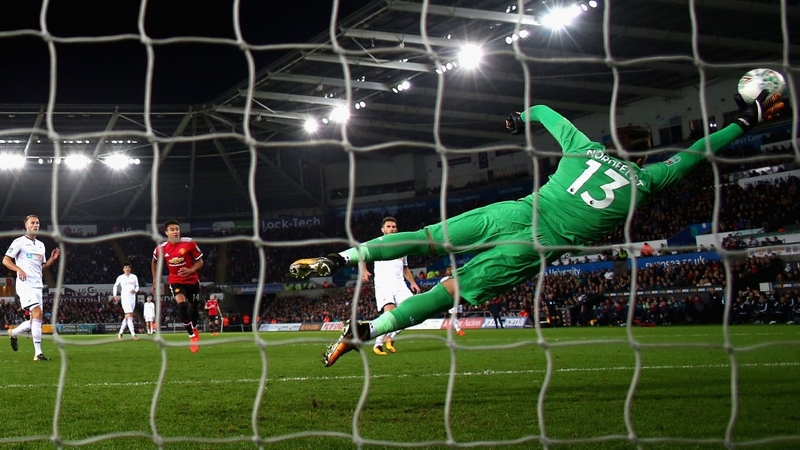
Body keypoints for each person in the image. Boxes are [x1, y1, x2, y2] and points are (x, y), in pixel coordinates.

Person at [289, 88, 785, 367]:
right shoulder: (652, 179)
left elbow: (546, 109)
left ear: (611, 143)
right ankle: (368, 331)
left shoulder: (584, 149)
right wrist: (748, 118)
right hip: (537, 245)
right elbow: (696, 153)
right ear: (643, 154)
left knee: (425, 238)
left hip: (516, 212)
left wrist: (518, 117)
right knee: (450, 291)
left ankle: (341, 258)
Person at [359, 217, 421, 356]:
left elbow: (405, 268)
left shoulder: (402, 246)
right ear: (383, 230)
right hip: (383, 284)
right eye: (389, 226)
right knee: (389, 314)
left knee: (414, 311)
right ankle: (378, 345)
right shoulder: (376, 244)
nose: (392, 229)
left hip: (400, 284)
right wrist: (364, 271)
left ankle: (389, 337)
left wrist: (412, 282)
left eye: (394, 226)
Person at [3, 214, 60, 361]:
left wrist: (52, 260)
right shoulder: (19, 242)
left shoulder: (41, 245)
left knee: (35, 320)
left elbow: (42, 268)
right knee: (37, 313)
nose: (36, 225)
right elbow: (5, 260)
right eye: (33, 223)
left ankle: (14, 332)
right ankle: (38, 353)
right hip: (25, 285)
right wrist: (18, 269)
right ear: (26, 226)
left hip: (38, 285)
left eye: (37, 223)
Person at [151, 219, 204, 352]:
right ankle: (191, 336)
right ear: (166, 232)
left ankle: (195, 327)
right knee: (181, 304)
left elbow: (200, 262)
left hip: (192, 281)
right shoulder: (161, 248)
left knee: (194, 308)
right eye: (172, 230)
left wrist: (191, 269)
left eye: (177, 229)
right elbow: (154, 261)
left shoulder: (189, 243)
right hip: (176, 281)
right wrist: (155, 280)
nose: (175, 232)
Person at [113, 262, 140, 341]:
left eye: (128, 267)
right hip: (125, 298)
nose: (127, 269)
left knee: (127, 317)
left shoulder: (134, 277)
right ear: (123, 269)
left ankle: (120, 333)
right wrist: (115, 295)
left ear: (130, 269)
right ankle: (133, 334)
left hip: (132, 298)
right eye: (126, 268)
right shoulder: (120, 277)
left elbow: (137, 286)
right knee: (130, 316)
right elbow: (115, 285)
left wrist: (135, 290)